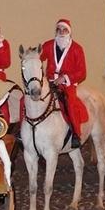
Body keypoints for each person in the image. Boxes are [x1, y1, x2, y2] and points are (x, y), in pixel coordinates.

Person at [39, 18, 88, 148]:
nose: (61, 32)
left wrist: (65, 78)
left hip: (67, 84)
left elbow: (82, 73)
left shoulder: (77, 49)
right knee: (28, 100)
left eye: (64, 30)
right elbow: (39, 57)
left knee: (70, 104)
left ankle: (76, 134)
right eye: (59, 30)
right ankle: (24, 130)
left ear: (69, 32)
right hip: (49, 82)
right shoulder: (49, 45)